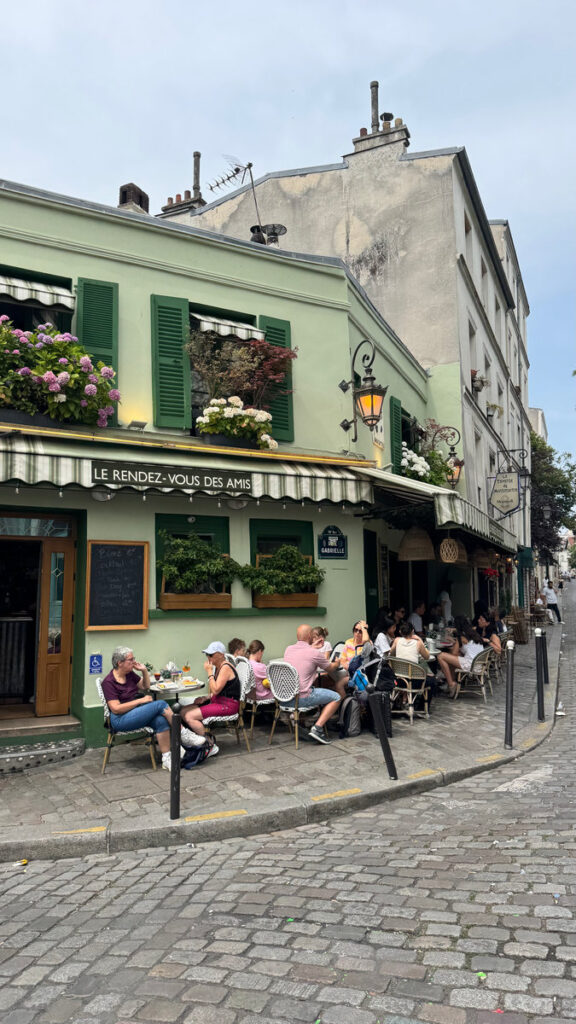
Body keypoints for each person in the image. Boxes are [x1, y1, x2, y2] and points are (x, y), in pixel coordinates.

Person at [101, 646, 176, 772]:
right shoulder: (109, 682)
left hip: (136, 714)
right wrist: (140, 700)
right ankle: (183, 733)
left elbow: (145, 686)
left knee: (160, 721)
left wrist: (144, 671)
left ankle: (166, 758)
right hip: (121, 719)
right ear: (120, 663)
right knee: (161, 704)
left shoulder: (129, 674)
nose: (134, 661)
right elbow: (116, 709)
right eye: (131, 659)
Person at [283, 624, 341, 744]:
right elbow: (330, 669)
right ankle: (317, 729)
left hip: (285, 698)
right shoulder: (313, 653)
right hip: (302, 698)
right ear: (310, 636)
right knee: (336, 697)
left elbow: (305, 653)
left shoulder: (288, 649)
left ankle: (302, 727)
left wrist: (313, 647)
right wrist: (337, 662)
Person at [180, 640, 241, 751]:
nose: (208, 657)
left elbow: (216, 689)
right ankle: (197, 741)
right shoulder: (218, 667)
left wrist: (209, 672)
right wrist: (205, 698)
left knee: (189, 716)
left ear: (221, 655)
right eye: (207, 654)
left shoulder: (225, 667)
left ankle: (210, 745)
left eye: (211, 655)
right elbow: (217, 691)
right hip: (217, 701)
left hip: (228, 705)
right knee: (183, 711)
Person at [437, 625, 484, 698]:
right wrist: (454, 641)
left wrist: (454, 642)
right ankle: (451, 684)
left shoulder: (461, 637)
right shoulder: (474, 635)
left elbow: (454, 654)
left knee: (440, 656)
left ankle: (451, 684)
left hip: (470, 665)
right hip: (478, 664)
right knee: (450, 659)